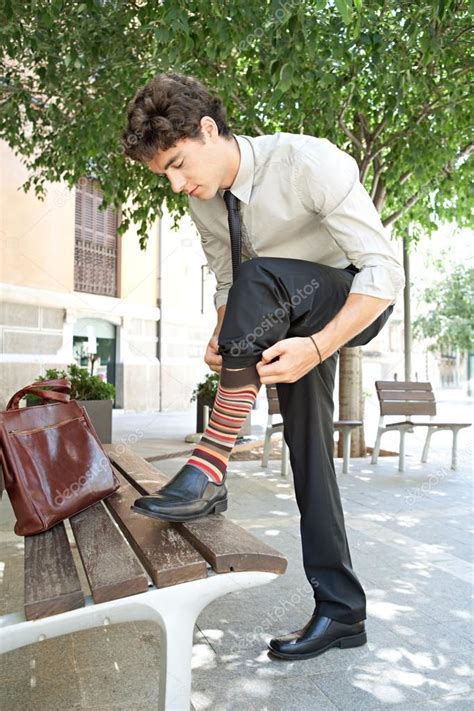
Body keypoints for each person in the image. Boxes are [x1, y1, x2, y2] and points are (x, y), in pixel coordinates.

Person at [121, 72, 405, 660]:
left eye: (177, 163)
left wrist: (321, 346)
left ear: (207, 129)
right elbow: (229, 282)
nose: (176, 184)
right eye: (164, 175)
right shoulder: (206, 202)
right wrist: (224, 337)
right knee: (309, 458)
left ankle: (210, 465)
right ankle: (342, 611)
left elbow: (384, 274)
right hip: (283, 321)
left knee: (262, 274)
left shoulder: (305, 161)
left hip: (347, 301)